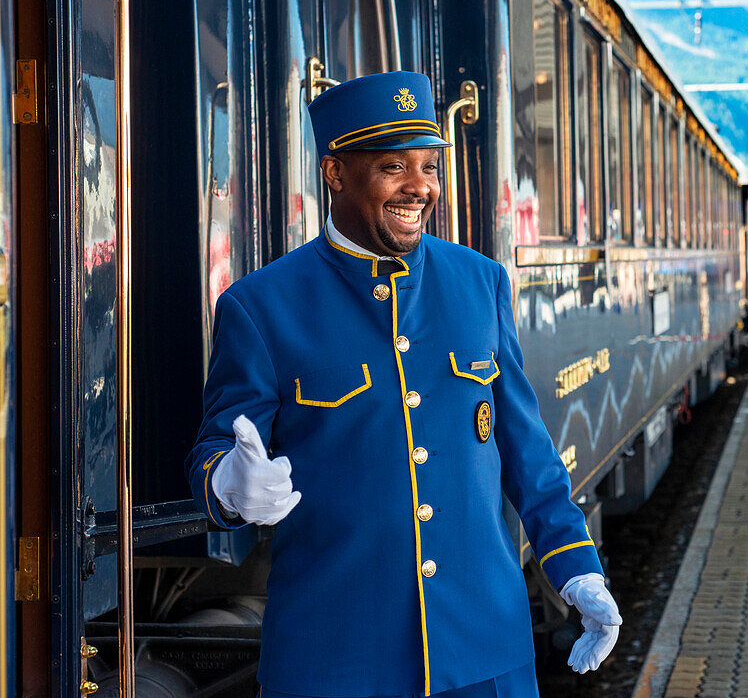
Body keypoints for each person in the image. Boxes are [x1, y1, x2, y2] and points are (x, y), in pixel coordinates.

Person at [186, 71, 621, 698]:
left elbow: (526, 452)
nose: (420, 187)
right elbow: (214, 450)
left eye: (429, 166)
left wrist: (578, 569)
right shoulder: (261, 307)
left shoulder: (481, 283)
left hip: (484, 654)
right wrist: (229, 482)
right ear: (335, 173)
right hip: (333, 662)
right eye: (394, 167)